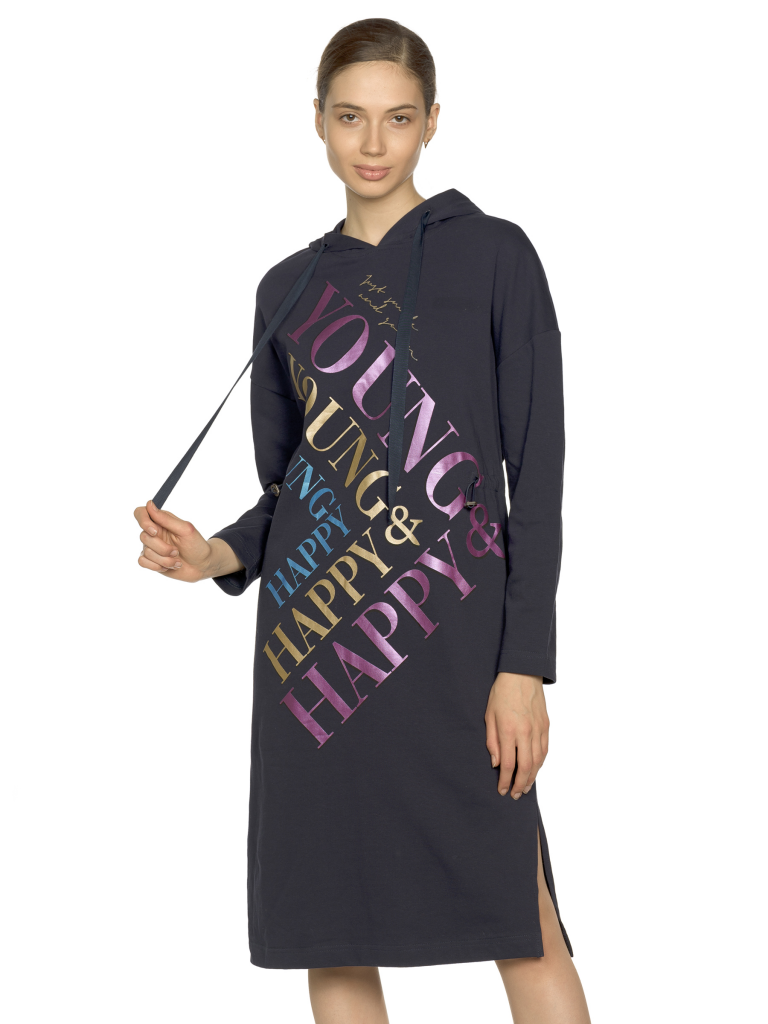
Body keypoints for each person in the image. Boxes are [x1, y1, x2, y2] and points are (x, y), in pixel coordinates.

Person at [134, 18, 591, 1024]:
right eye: (350, 118)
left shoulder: (498, 256)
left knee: (524, 921)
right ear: (318, 122)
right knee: (331, 932)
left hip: (459, 651)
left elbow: (538, 475)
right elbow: (293, 487)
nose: (373, 143)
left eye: (397, 119)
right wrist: (213, 553)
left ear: (432, 121)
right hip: (319, 664)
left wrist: (524, 666)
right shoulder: (289, 288)